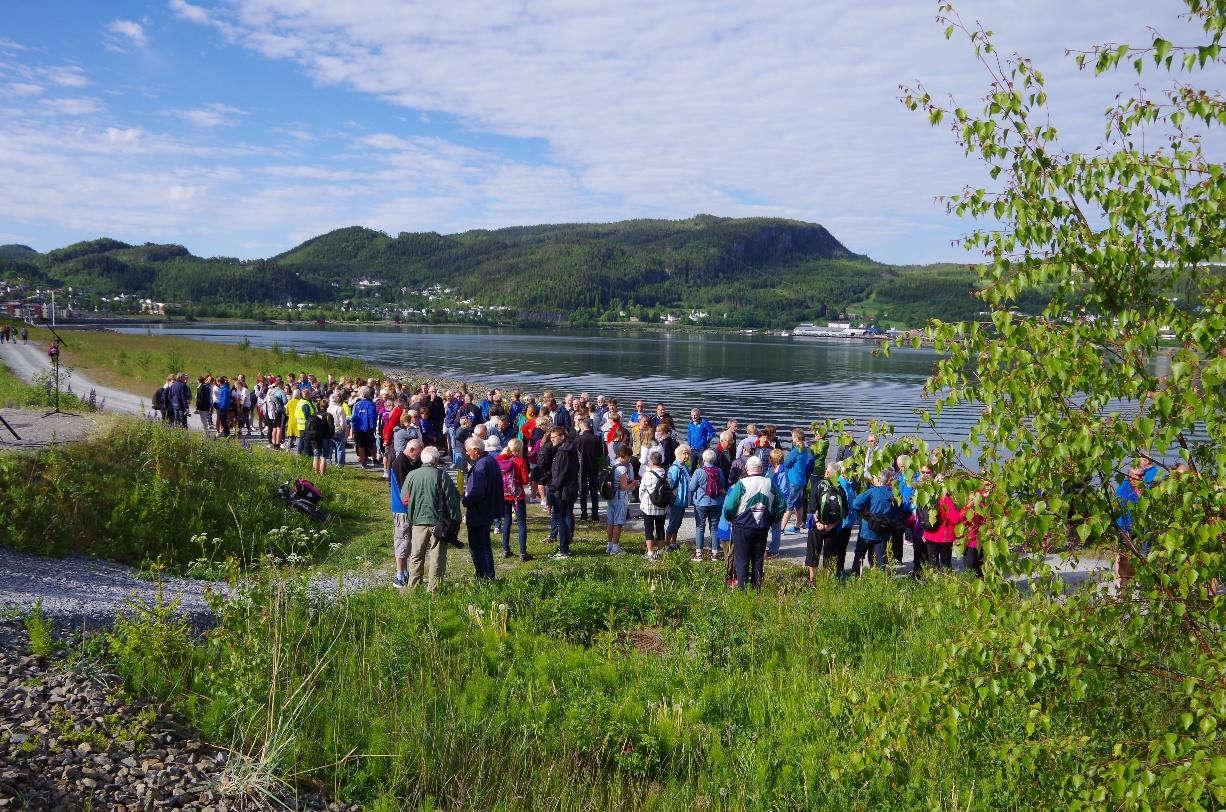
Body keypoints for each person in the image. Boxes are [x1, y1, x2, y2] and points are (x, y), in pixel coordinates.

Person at [400, 445, 461, 591]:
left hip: (418, 522)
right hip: (438, 522)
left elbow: (404, 499)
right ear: (435, 460)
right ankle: (433, 590)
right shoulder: (442, 476)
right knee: (437, 557)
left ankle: (413, 587)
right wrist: (456, 520)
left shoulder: (412, 475)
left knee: (416, 555)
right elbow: (452, 500)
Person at [721, 456, 786, 590]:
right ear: (761, 469)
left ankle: (742, 590)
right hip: (762, 527)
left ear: (746, 468)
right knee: (758, 559)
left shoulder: (742, 484)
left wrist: (731, 518)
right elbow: (782, 504)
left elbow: (728, 507)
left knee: (742, 558)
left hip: (742, 527)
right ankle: (757, 589)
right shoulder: (769, 483)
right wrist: (772, 519)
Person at [462, 437, 504, 581]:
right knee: (485, 544)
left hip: (479, 511)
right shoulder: (491, 461)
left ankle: (484, 575)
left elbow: (478, 492)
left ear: (476, 450)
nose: (467, 454)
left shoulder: (480, 465)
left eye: (468, 451)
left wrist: (466, 501)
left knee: (477, 546)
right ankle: (489, 574)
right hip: (488, 509)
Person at [806, 465, 850, 583]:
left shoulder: (819, 485)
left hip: (817, 526)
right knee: (830, 555)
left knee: (813, 552)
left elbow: (812, 506)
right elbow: (845, 511)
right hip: (834, 528)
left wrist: (817, 522)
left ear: (827, 473)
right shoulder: (840, 488)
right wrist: (833, 524)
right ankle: (826, 581)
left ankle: (812, 580)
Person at [389, 439, 423, 588]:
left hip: (408, 508)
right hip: (402, 509)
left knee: (408, 542)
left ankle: (405, 572)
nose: (420, 456)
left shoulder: (409, 461)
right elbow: (406, 489)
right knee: (402, 541)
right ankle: (400, 574)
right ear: (411, 450)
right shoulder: (401, 463)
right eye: (418, 453)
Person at [851, 473, 897, 574]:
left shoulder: (872, 492)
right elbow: (897, 514)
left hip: (867, 531)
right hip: (883, 532)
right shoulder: (893, 494)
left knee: (859, 556)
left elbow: (855, 503)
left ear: (879, 480)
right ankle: (881, 578)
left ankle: (855, 576)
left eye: (875, 477)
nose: (873, 479)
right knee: (880, 559)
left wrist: (864, 512)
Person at [546, 426, 579, 560]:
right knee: (564, 517)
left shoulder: (563, 452)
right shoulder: (569, 449)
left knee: (560, 519)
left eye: (554, 438)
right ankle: (564, 547)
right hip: (568, 489)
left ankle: (564, 550)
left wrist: (552, 490)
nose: (552, 440)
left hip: (562, 491)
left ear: (562, 437)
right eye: (551, 438)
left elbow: (559, 475)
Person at [498, 438, 532, 561]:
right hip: (517, 496)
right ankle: (523, 553)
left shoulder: (501, 460)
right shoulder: (520, 461)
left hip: (504, 494)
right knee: (522, 523)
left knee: (507, 521)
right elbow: (525, 481)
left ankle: (505, 549)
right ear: (519, 449)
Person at [689, 448, 726, 561]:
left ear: (703, 459)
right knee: (714, 528)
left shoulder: (699, 472)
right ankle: (714, 553)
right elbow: (722, 484)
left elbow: (692, 487)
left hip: (701, 503)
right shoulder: (718, 470)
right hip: (716, 503)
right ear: (714, 459)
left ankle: (698, 554)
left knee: (700, 527)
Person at [780, 428, 815, 534]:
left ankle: (781, 528)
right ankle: (797, 527)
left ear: (795, 438)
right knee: (799, 505)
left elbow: (786, 463)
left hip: (794, 481)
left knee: (789, 505)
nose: (792, 440)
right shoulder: (805, 449)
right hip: (801, 480)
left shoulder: (795, 450)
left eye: (792, 438)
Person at [605, 444, 637, 555]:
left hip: (610, 495)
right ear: (625, 456)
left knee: (610, 522)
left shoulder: (611, 464)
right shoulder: (622, 468)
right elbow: (624, 487)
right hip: (619, 497)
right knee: (618, 523)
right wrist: (633, 484)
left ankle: (609, 545)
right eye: (629, 457)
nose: (629, 460)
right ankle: (615, 548)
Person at [638, 452, 669, 560]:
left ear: (651, 461)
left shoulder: (647, 474)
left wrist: (641, 499)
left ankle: (650, 552)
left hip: (648, 506)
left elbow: (641, 490)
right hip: (662, 505)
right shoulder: (666, 473)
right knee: (660, 528)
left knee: (649, 528)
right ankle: (660, 551)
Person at [663, 444, 692, 552]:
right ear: (678, 454)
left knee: (678, 522)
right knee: (673, 522)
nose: (687, 456)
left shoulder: (684, 467)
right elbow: (670, 484)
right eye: (684, 453)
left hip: (683, 500)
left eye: (688, 454)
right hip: (677, 499)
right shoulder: (675, 468)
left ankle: (673, 543)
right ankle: (666, 545)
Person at [575, 419, 602, 522]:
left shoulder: (579, 439)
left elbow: (576, 453)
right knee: (594, 492)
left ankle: (583, 514)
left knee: (583, 492)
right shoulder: (597, 438)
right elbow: (599, 453)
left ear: (582, 427)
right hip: (593, 467)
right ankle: (595, 515)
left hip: (582, 468)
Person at [350, 386, 378, 468]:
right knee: (372, 444)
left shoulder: (357, 404)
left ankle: (363, 462)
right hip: (368, 428)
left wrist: (354, 428)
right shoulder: (371, 404)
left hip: (358, 428)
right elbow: (372, 416)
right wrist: (373, 427)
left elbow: (354, 417)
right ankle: (374, 459)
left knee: (360, 445)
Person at [328, 393, 349, 466]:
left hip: (329, 430)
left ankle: (329, 462)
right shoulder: (339, 408)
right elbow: (342, 422)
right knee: (340, 448)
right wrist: (344, 429)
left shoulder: (327, 408)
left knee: (330, 447)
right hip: (338, 430)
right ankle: (339, 463)